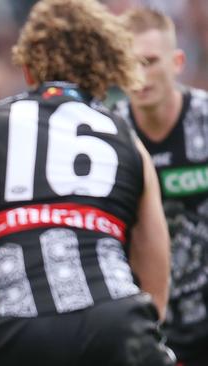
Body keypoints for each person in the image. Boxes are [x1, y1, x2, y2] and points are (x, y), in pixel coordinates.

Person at [0, 0, 176, 365]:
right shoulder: (126, 139)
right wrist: (144, 331)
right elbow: (154, 263)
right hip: (115, 323)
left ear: (26, 68)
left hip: (19, 330)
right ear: (105, 71)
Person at [114, 8, 208, 366]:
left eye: (150, 61)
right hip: (143, 324)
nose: (140, 75)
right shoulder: (108, 135)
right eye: (129, 62)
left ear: (178, 62)